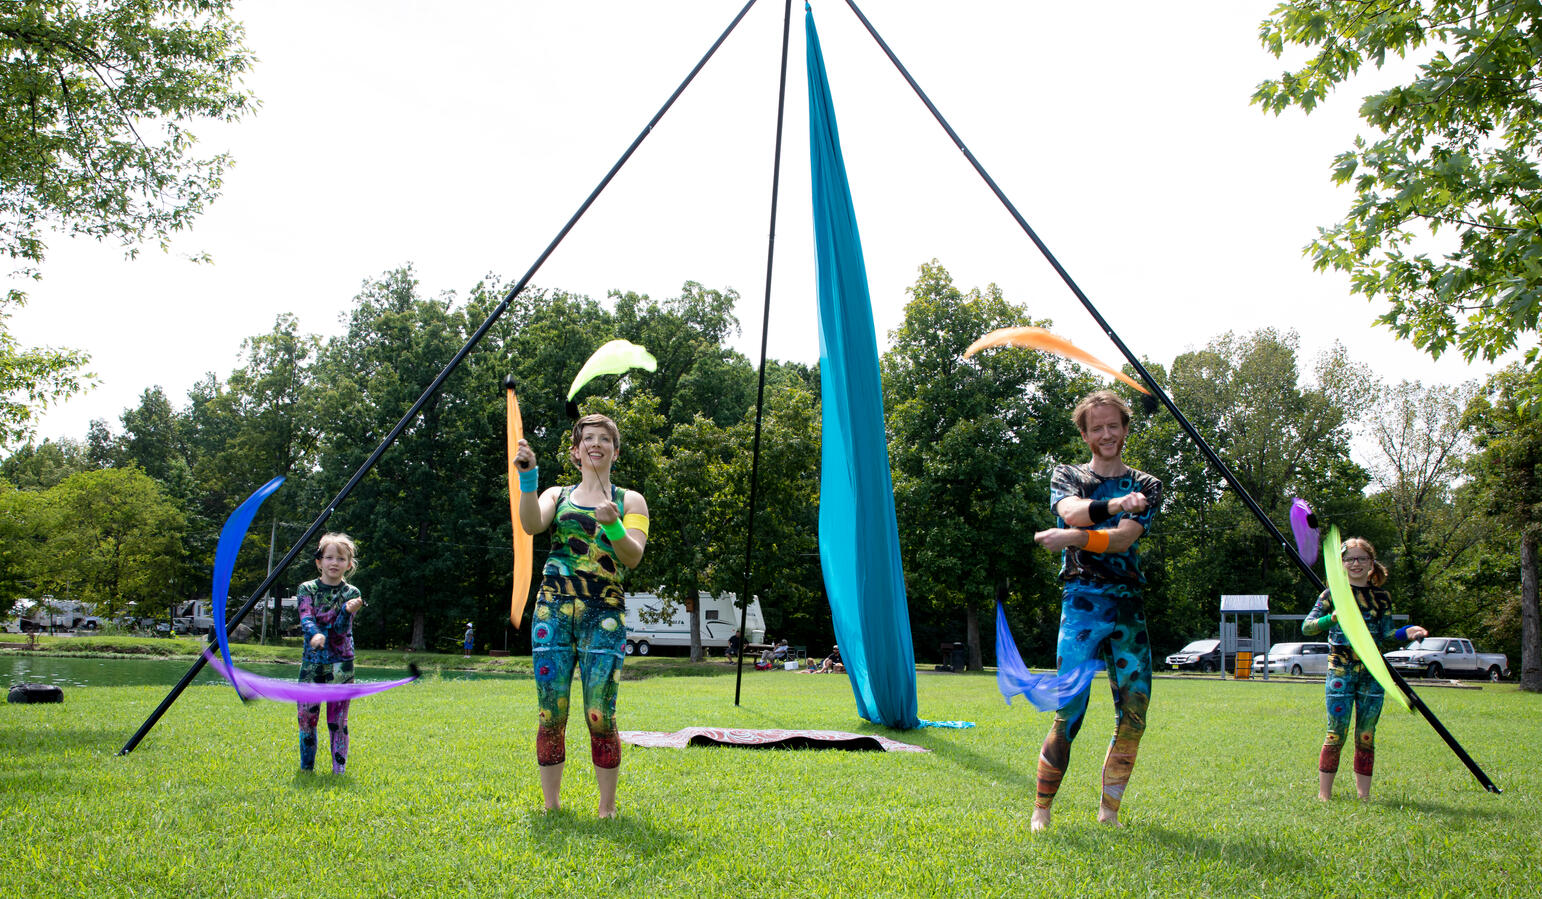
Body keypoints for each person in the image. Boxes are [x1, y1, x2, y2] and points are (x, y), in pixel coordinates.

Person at [1030, 390, 1162, 831]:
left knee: (1135, 712)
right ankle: (1042, 810)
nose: (1107, 434)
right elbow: (1072, 511)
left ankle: (1109, 813)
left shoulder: (1147, 485)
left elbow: (1122, 539)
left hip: (1127, 605)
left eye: (1114, 425)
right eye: (1097, 427)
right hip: (1082, 603)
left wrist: (1069, 538)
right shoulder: (1067, 474)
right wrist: (1113, 506)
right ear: (1085, 434)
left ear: (1125, 428)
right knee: (1070, 711)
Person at [515, 413, 650, 818]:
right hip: (552, 611)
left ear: (615, 450)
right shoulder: (557, 494)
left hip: (603, 615)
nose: (595, 444)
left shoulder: (631, 501)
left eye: (604, 439)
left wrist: (612, 527)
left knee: (600, 712)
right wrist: (529, 477)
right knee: (550, 711)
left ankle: (606, 809)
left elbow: (633, 556)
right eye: (587, 439)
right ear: (575, 452)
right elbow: (530, 523)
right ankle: (551, 806)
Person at [1302, 537, 1426, 802]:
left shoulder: (1381, 597)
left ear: (1371, 563)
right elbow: (1307, 626)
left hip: (1372, 673)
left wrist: (1409, 632)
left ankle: (1364, 796)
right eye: (1349, 559)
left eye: (1361, 559)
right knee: (1336, 731)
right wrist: (1331, 618)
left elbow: (1388, 632)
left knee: (1366, 734)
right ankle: (1325, 795)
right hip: (1340, 672)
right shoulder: (1331, 595)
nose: (1355, 563)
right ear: (1341, 564)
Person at [296, 533, 365, 774]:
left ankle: (339, 771)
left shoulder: (351, 592)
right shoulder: (307, 589)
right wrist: (314, 634)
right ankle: (307, 770)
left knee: (337, 721)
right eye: (329, 557)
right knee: (306, 719)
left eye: (341, 558)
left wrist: (347, 611)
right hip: (312, 664)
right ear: (319, 561)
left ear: (349, 564)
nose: (334, 563)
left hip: (341, 665)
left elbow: (339, 631)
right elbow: (305, 617)